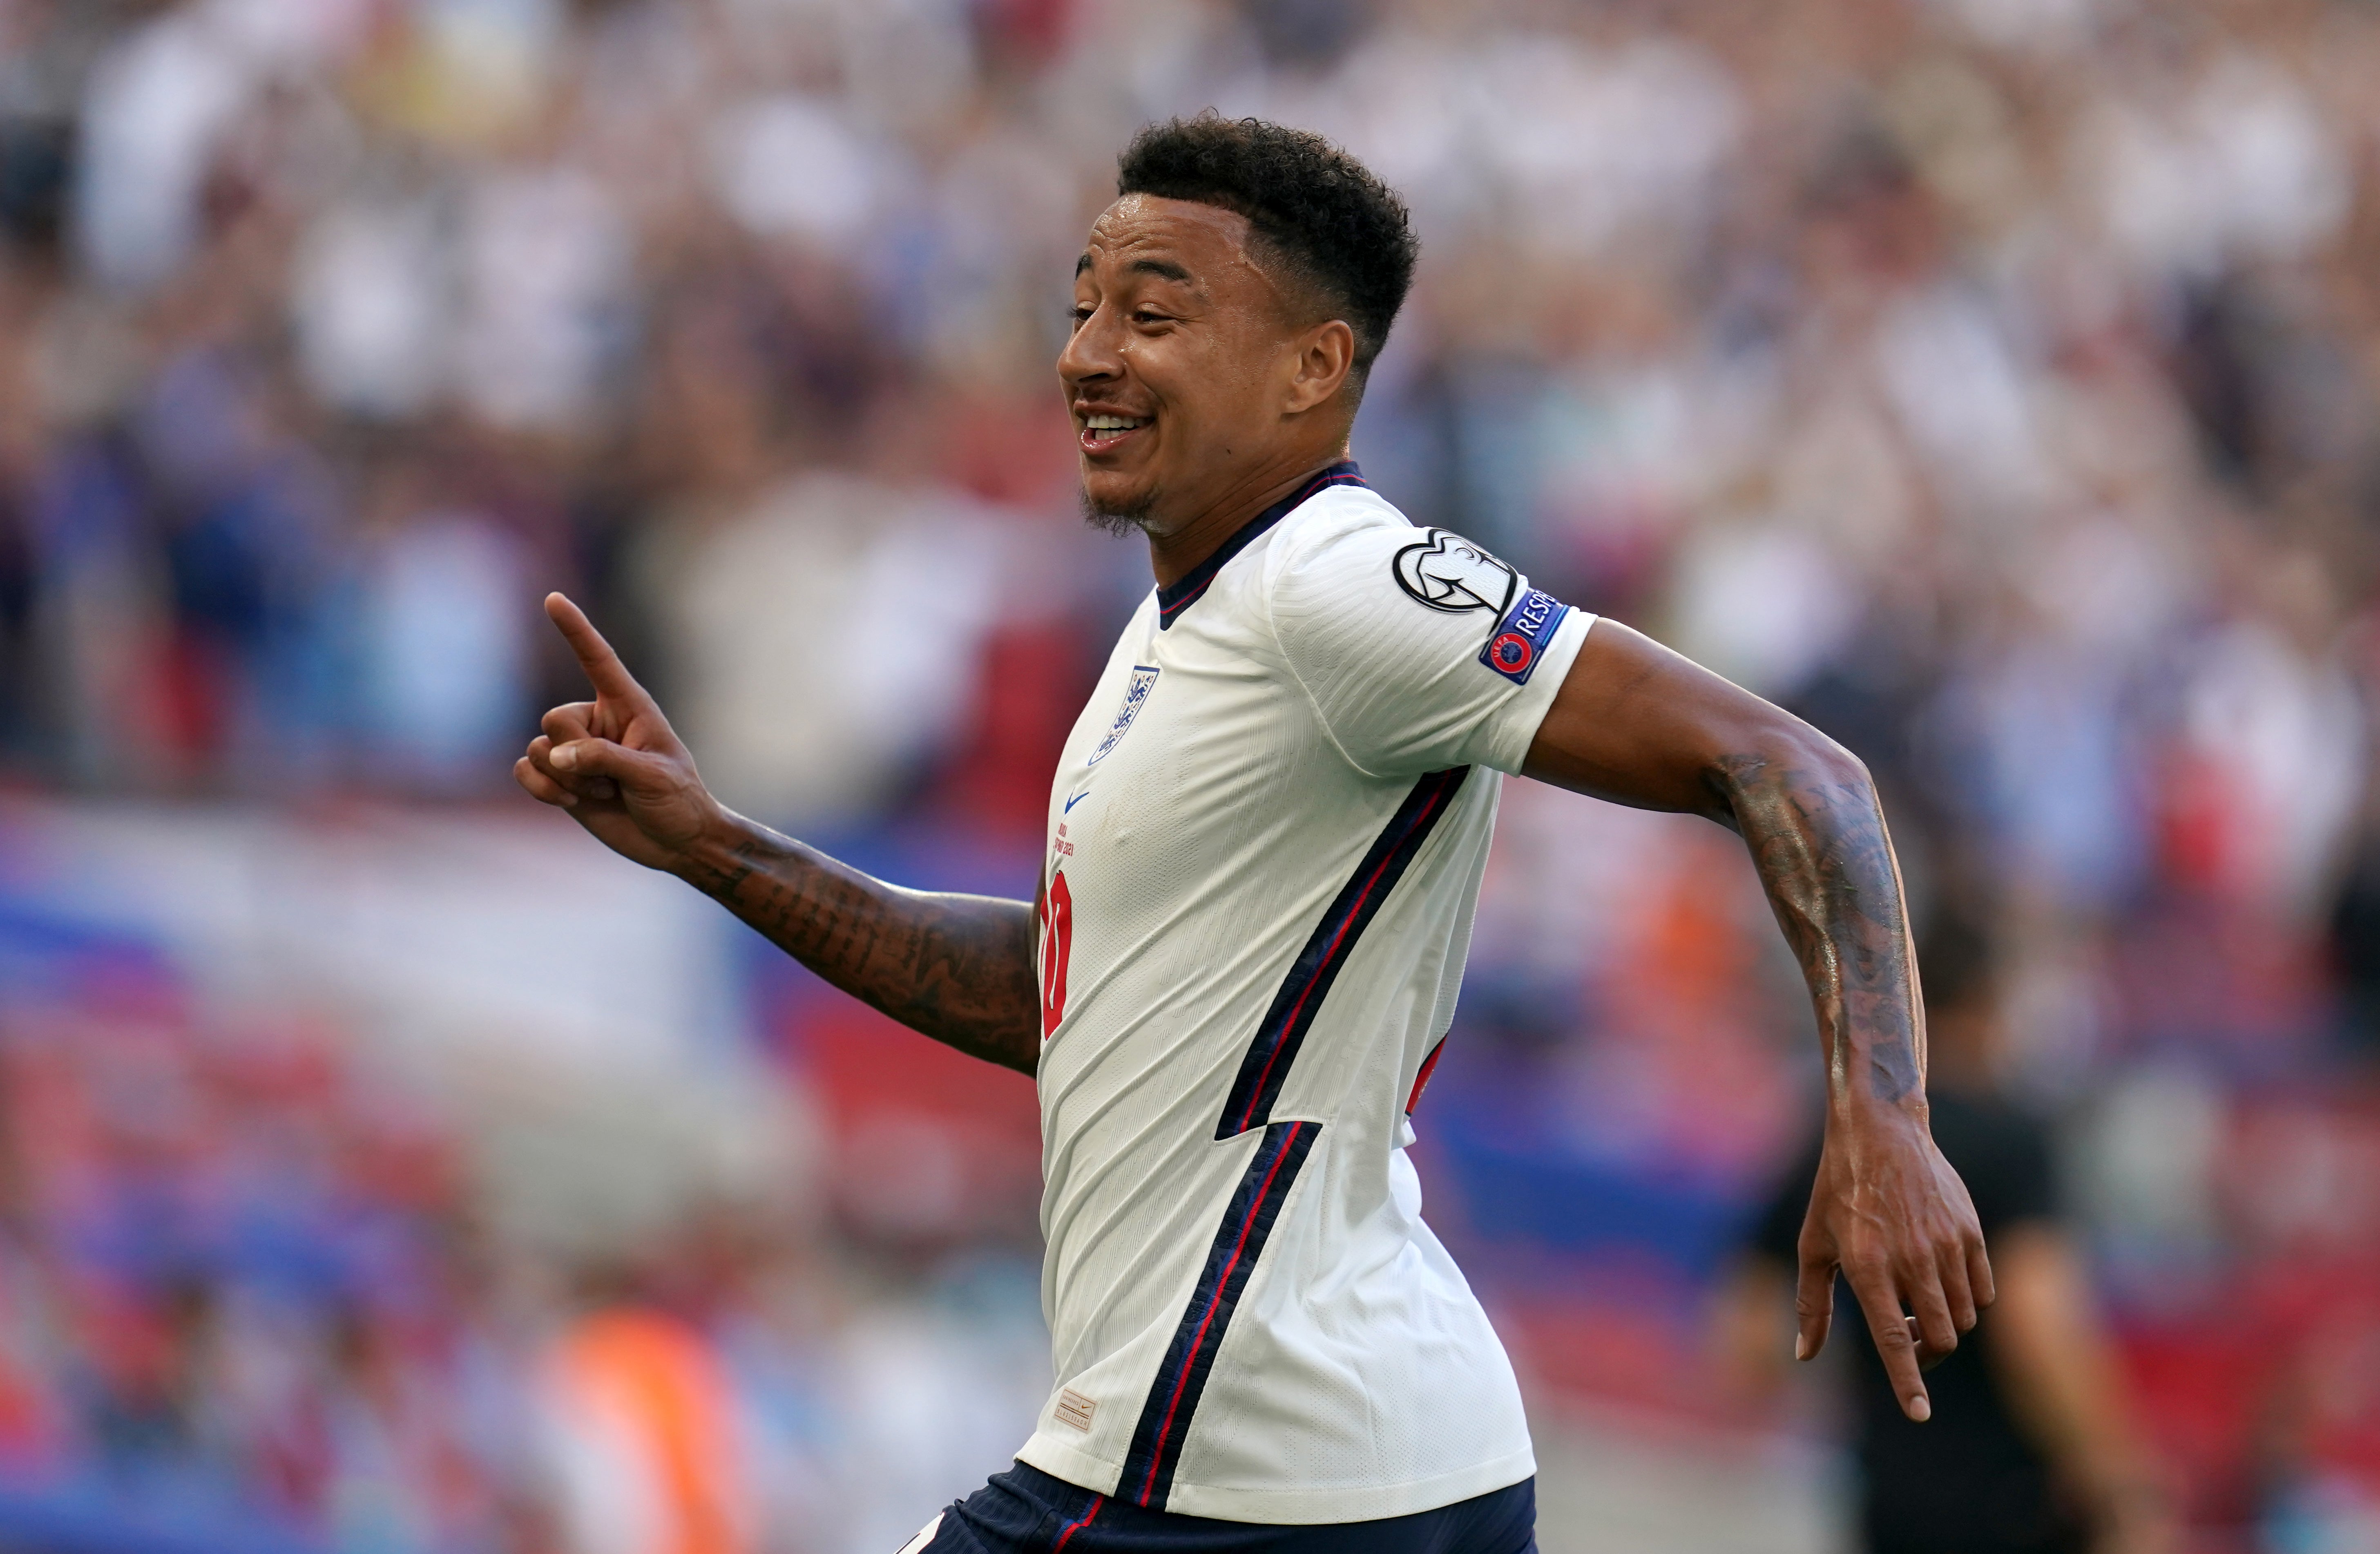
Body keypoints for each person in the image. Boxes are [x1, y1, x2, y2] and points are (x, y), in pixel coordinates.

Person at [514, 116, 1989, 1554]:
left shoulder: (1336, 582)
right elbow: (1067, 1003)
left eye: (1153, 314)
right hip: (1368, 1443)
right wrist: (716, 847)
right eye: (1083, 306)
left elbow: (1792, 767)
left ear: (1311, 368)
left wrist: (1883, 1115)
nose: (1086, 353)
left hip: (1225, 1443)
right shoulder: (1183, 635)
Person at [1724, 916, 2175, 1554]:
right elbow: (2037, 1327)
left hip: (1886, 1496)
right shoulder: (2010, 1142)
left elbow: (1748, 1336)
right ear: (1991, 999)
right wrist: (2118, 1482)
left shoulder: (1841, 1138)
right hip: (2008, 1504)